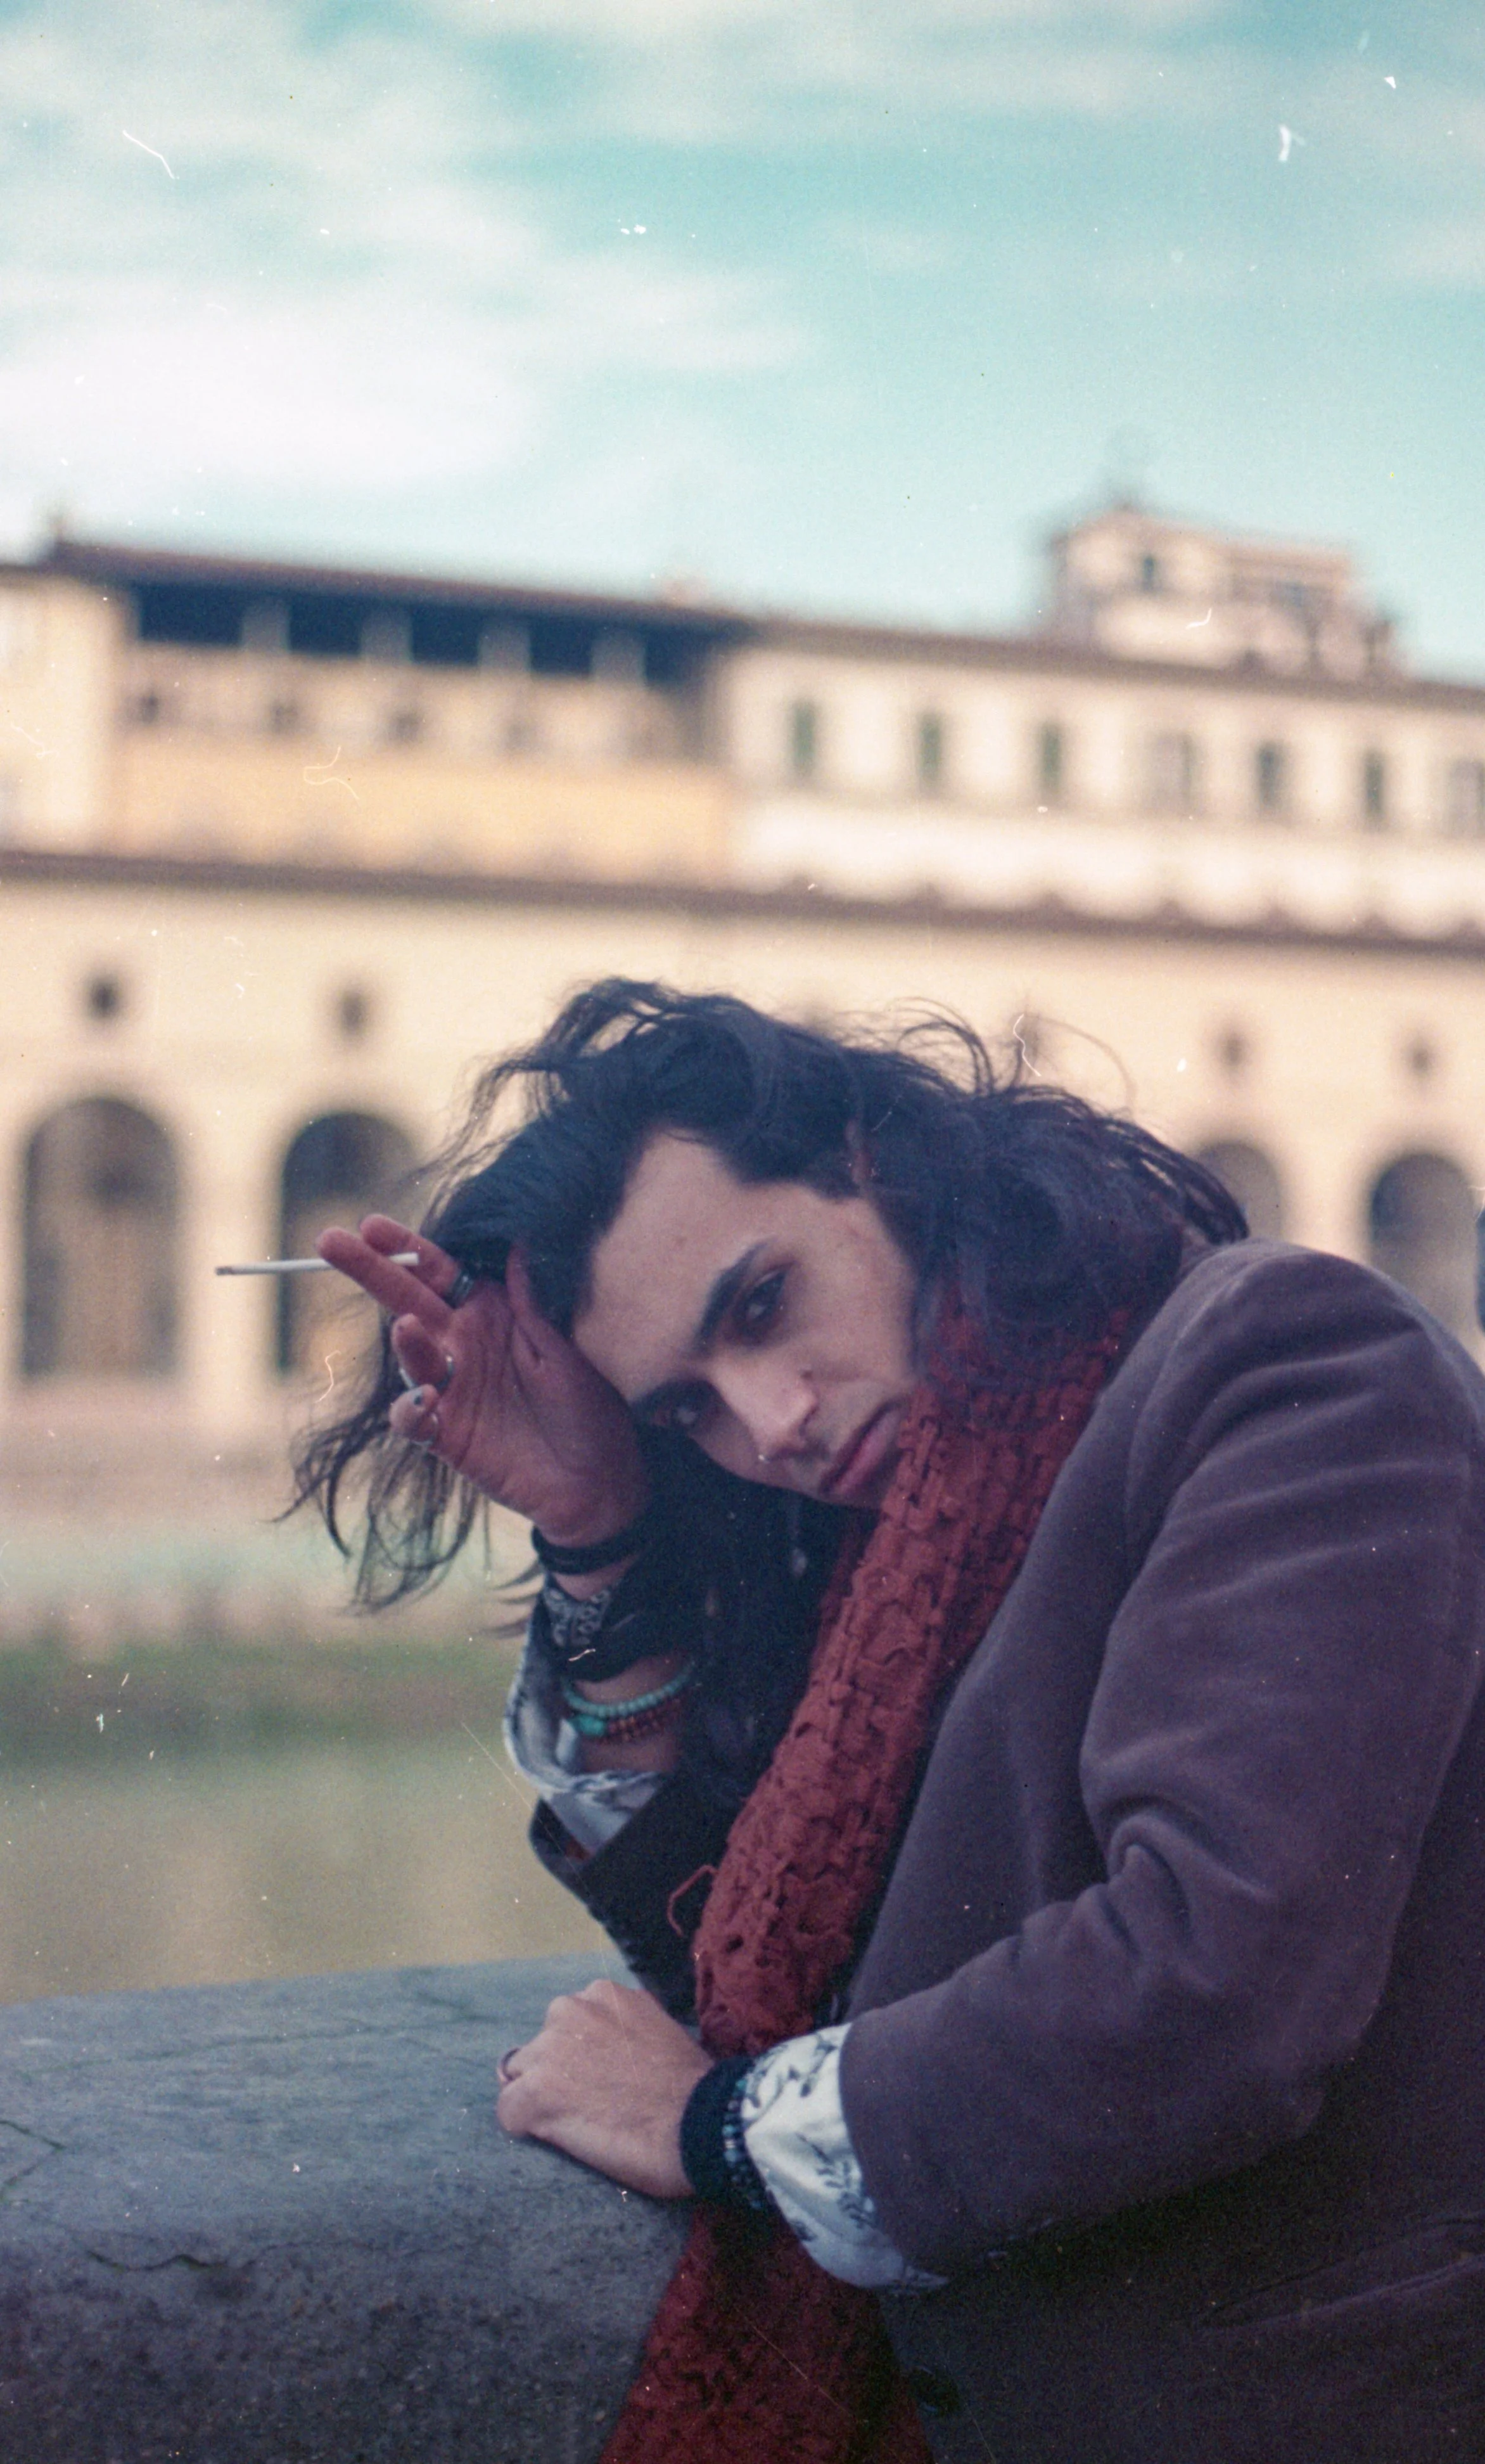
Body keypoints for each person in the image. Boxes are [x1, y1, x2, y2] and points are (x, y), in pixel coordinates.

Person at [295, 978, 1485, 2464]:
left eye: (760, 1304)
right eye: (686, 1412)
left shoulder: (1280, 1363)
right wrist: (600, 1536)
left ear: (874, 1164)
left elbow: (1215, 1985)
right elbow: (763, 1956)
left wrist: (722, 2130)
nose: (768, 1421)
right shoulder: (900, 1528)